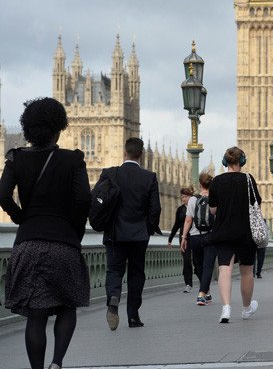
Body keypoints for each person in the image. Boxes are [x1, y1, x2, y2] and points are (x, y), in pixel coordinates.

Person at [0, 97, 92, 369]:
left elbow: (3, 196)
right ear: (59, 127)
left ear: (28, 128)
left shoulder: (15, 158)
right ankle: (57, 363)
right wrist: (73, 229)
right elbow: (84, 200)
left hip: (28, 242)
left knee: (35, 316)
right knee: (67, 305)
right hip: (64, 243)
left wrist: (22, 218)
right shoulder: (73, 159)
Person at [99, 137, 161, 330]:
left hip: (115, 233)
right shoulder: (149, 177)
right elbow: (155, 209)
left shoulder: (110, 174)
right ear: (141, 155)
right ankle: (133, 316)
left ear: (124, 152)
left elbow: (97, 202)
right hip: (138, 235)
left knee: (114, 270)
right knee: (136, 273)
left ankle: (114, 298)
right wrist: (147, 229)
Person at [207, 146, 261, 323]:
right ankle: (246, 308)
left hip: (223, 231)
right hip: (246, 232)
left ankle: (226, 309)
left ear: (225, 162)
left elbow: (213, 210)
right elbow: (256, 204)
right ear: (242, 161)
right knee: (246, 271)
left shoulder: (216, 181)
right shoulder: (248, 179)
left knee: (225, 270)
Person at [180, 172, 217, 306]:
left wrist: (184, 237)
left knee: (198, 266)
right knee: (208, 266)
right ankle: (204, 292)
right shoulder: (216, 198)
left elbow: (188, 220)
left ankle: (203, 293)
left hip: (195, 236)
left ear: (200, 185)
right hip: (211, 236)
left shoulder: (193, 199)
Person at [168, 186, 195, 293]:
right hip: (183, 237)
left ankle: (201, 279)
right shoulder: (180, 210)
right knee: (187, 260)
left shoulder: (195, 207)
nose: (183, 198)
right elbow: (176, 225)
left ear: (190, 197)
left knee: (197, 260)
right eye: (182, 197)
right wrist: (170, 238)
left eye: (185, 196)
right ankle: (188, 283)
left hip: (194, 236)